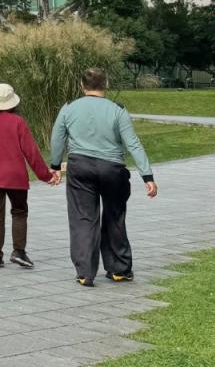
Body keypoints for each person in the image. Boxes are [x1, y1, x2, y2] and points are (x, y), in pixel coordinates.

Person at [50, 67, 158, 287]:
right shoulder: (118, 110)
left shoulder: (69, 108)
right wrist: (147, 175)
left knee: (83, 218)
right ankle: (119, 268)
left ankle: (85, 272)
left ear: (82, 85)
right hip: (112, 168)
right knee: (114, 216)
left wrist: (54, 165)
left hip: (80, 167)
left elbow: (57, 138)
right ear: (105, 84)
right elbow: (133, 143)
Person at [0, 84, 60, 270]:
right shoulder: (18, 121)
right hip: (15, 177)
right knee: (19, 212)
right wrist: (46, 175)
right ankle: (19, 251)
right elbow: (31, 152)